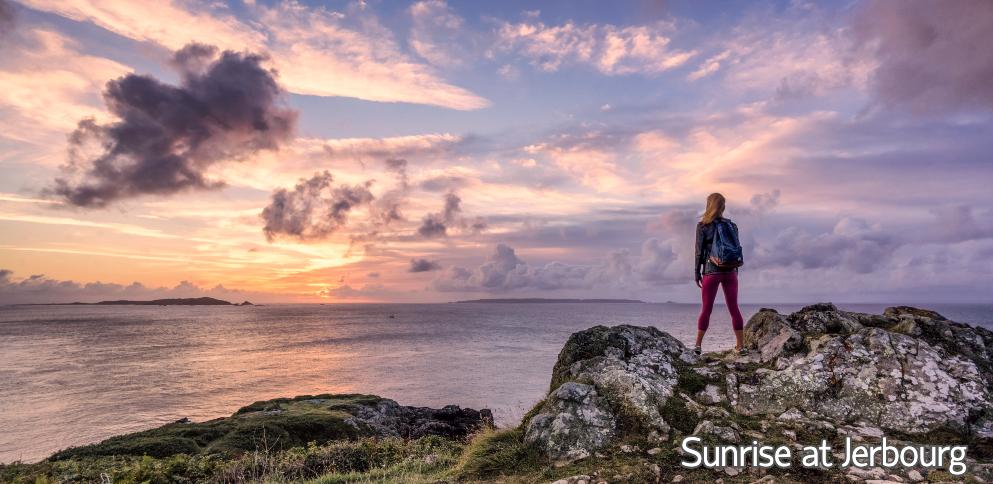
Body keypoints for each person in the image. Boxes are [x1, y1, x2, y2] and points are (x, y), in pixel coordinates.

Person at [694, 193, 745, 356]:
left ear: (708, 205)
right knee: (734, 309)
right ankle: (740, 346)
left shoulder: (703, 225)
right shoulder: (733, 226)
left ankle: (698, 346)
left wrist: (697, 272)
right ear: (723, 206)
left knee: (706, 309)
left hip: (711, 272)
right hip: (730, 271)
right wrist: (734, 271)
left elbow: (698, 252)